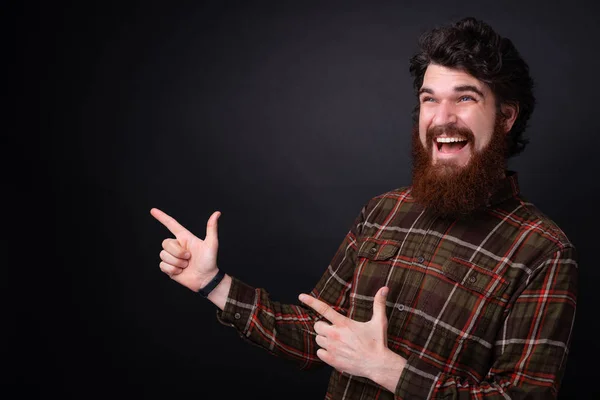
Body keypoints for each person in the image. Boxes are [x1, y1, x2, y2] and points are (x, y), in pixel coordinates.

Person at [150, 17, 577, 399]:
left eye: (464, 98)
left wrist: (387, 370)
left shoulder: (542, 250)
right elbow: (316, 336)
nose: (442, 117)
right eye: (430, 99)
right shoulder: (383, 211)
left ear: (505, 117)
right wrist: (214, 284)